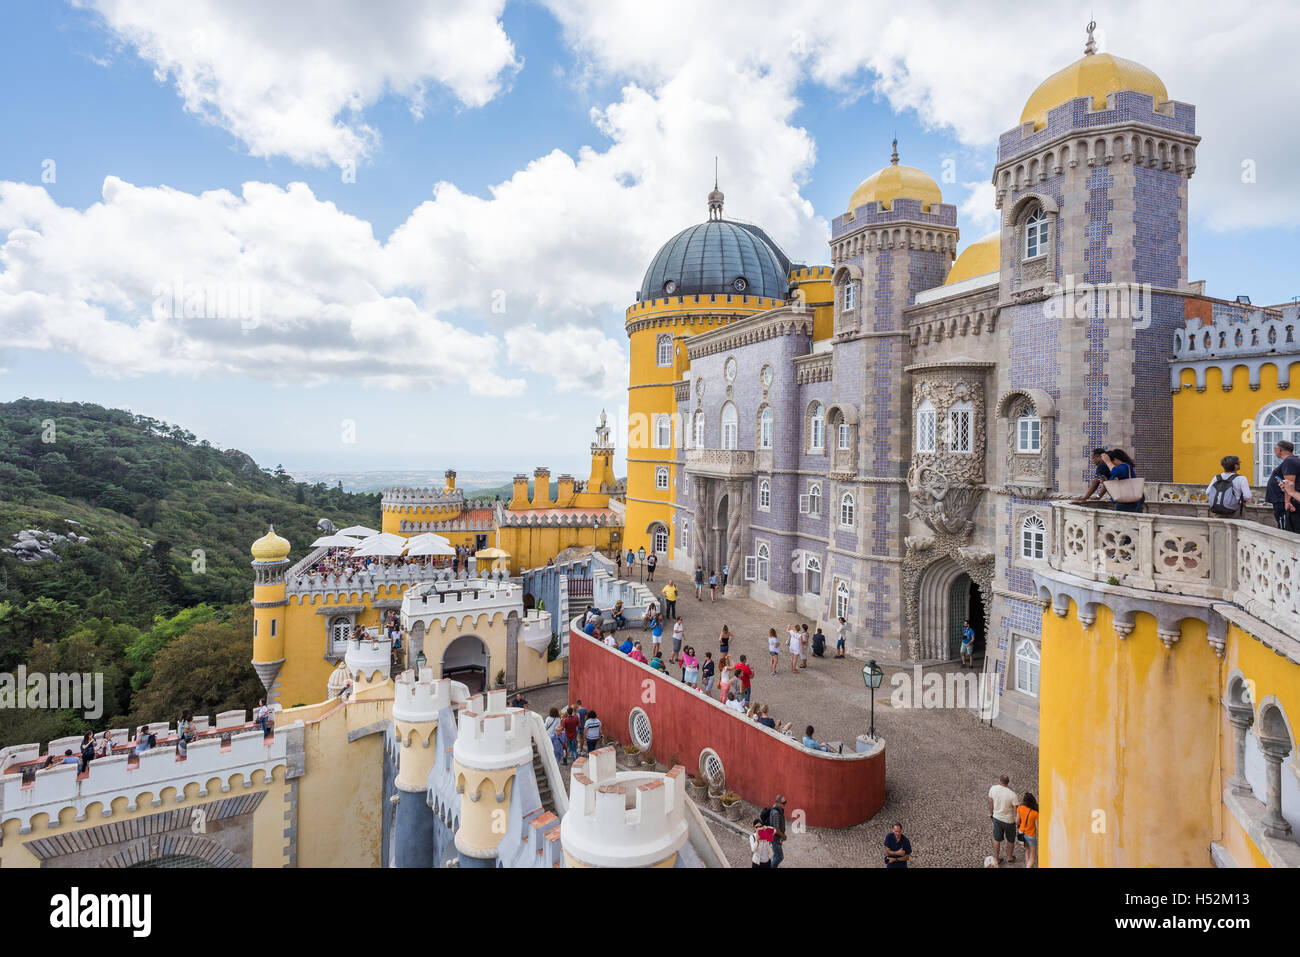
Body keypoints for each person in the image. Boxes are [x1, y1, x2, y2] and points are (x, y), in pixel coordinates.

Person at [1265, 440, 1300, 532]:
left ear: (1279, 450)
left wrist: (1287, 501)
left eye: (1275, 449)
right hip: (1281, 499)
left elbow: (1289, 483)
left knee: (1285, 528)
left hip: (1282, 501)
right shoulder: (1291, 460)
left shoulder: (1289, 461)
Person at [989, 774, 1019, 865]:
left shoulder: (993, 789)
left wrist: (991, 813)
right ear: (1008, 783)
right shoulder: (1012, 795)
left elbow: (990, 801)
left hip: (997, 818)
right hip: (1009, 821)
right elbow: (1016, 810)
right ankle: (1010, 857)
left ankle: (997, 859)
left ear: (999, 780)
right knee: (1010, 840)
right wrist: (1018, 821)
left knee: (996, 839)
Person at [1101, 448, 1144, 513]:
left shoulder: (1125, 466)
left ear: (1115, 459)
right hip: (1124, 501)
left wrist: (1108, 462)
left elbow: (1117, 472)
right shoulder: (1122, 467)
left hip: (1128, 501)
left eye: (1112, 462)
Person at [1017, 792, 1040, 869]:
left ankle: (1028, 865)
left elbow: (1017, 821)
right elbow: (1037, 828)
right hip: (1030, 835)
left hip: (1021, 833)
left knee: (1027, 850)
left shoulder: (1020, 808)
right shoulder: (1035, 813)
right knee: (1033, 856)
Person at [764, 795, 788, 868]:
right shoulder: (776, 813)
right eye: (783, 803)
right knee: (780, 857)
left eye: (785, 802)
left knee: (776, 854)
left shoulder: (779, 809)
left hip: (776, 837)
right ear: (777, 803)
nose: (785, 804)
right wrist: (783, 836)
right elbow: (776, 829)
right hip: (775, 838)